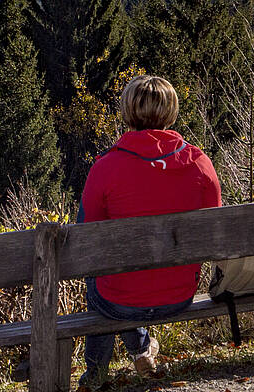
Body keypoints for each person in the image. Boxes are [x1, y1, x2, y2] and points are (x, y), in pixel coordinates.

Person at [77, 74, 222, 389]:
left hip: (119, 300)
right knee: (121, 271)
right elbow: (215, 228)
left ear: (128, 112)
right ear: (171, 112)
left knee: (100, 272)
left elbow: (86, 244)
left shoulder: (104, 168)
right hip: (178, 294)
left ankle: (98, 374)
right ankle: (141, 351)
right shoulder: (199, 162)